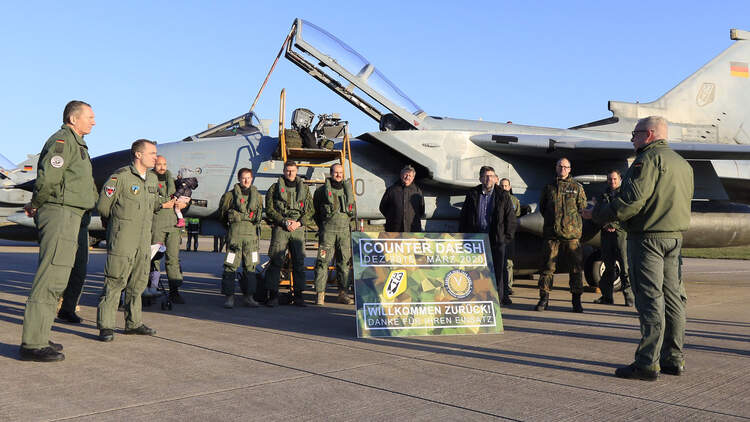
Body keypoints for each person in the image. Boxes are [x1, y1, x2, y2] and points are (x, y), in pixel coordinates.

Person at [589, 116, 693, 381]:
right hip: (674, 238)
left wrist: (598, 214)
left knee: (649, 300)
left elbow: (630, 202)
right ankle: (674, 359)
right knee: (674, 299)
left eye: (635, 134)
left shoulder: (646, 161)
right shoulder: (683, 164)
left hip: (648, 240)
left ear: (649, 134)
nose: (632, 138)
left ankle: (647, 363)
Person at [19, 101, 99, 362]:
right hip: (60, 213)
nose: (94, 121)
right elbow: (49, 179)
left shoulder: (77, 144)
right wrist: (36, 204)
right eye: (90, 117)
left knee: (57, 280)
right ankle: (32, 343)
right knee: (49, 277)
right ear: (74, 119)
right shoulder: (62, 142)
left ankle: (40, 335)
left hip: (72, 214)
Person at [96, 139, 163, 342]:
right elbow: (103, 207)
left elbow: (155, 204)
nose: (155, 157)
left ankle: (133, 323)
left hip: (144, 239)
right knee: (115, 280)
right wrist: (118, 224)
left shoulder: (152, 179)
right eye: (152, 153)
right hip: (123, 238)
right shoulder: (120, 177)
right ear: (138, 155)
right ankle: (106, 326)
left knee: (139, 281)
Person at [459, 167, 517, 305]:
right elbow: (464, 217)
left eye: (491, 176)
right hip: (477, 239)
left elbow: (511, 219)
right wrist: (463, 236)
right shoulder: (472, 194)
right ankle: (477, 297)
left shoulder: (503, 195)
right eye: (485, 176)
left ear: (495, 178)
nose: (488, 179)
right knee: (476, 270)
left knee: (498, 271)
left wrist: (505, 238)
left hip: (496, 239)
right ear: (480, 178)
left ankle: (497, 299)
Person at [536, 157, 587, 313]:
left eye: (566, 167)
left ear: (570, 169)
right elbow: (543, 208)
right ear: (556, 167)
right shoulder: (549, 187)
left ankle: (576, 301)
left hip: (572, 236)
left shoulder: (577, 188)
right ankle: (544, 299)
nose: (563, 169)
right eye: (560, 166)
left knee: (576, 270)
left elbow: (582, 208)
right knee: (547, 269)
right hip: (552, 235)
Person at [264, 160, 314, 307]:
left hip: (297, 228)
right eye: (287, 170)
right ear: (284, 171)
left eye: (292, 170)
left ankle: (299, 296)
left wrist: (299, 223)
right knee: (276, 261)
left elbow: (310, 210)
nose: (290, 173)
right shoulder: (274, 188)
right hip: (281, 228)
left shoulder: (304, 189)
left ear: (296, 171)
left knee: (299, 262)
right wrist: (284, 222)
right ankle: (272, 295)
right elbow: (270, 209)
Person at [218, 168, 263, 308]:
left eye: (248, 178)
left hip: (251, 238)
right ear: (238, 179)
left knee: (251, 266)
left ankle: (249, 297)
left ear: (252, 178)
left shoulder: (258, 197)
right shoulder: (229, 196)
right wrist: (231, 229)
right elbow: (222, 215)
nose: (246, 180)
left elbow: (260, 215)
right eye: (243, 178)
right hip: (235, 237)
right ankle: (229, 297)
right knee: (230, 266)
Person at [312, 163, 356, 306]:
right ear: (330, 173)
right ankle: (320, 294)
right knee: (322, 262)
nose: (338, 175)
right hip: (328, 233)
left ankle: (343, 293)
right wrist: (323, 227)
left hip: (344, 232)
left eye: (341, 173)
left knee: (344, 263)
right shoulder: (321, 192)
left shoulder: (348, 190)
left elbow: (352, 211)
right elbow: (315, 212)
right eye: (336, 172)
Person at [591, 170, 634, 307]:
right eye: (610, 179)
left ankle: (629, 298)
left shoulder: (625, 194)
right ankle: (607, 297)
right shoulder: (603, 196)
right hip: (606, 236)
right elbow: (596, 213)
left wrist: (614, 224)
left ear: (620, 179)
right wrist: (604, 224)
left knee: (625, 268)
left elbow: (627, 213)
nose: (612, 182)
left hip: (621, 235)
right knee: (608, 267)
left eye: (615, 179)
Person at [148, 155, 187, 303]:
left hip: (173, 224)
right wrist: (163, 204)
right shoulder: (149, 179)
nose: (162, 167)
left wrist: (184, 204)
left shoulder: (173, 180)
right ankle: (151, 288)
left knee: (173, 259)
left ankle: (174, 291)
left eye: (164, 164)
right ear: (154, 165)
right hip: (156, 223)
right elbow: (147, 200)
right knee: (153, 258)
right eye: (159, 164)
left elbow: (183, 197)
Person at [379, 164, 425, 232]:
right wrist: (392, 218)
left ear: (413, 177)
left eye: (410, 175)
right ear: (401, 175)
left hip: (412, 231)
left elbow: (421, 210)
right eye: (406, 175)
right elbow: (382, 207)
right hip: (394, 230)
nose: (407, 177)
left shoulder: (418, 192)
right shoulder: (391, 190)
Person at [499, 177, 521, 295]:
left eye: (506, 186)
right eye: (502, 186)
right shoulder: (495, 198)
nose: (504, 188)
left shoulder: (514, 200)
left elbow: (516, 215)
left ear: (510, 187)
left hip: (510, 235)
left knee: (509, 262)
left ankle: (508, 286)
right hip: (499, 234)